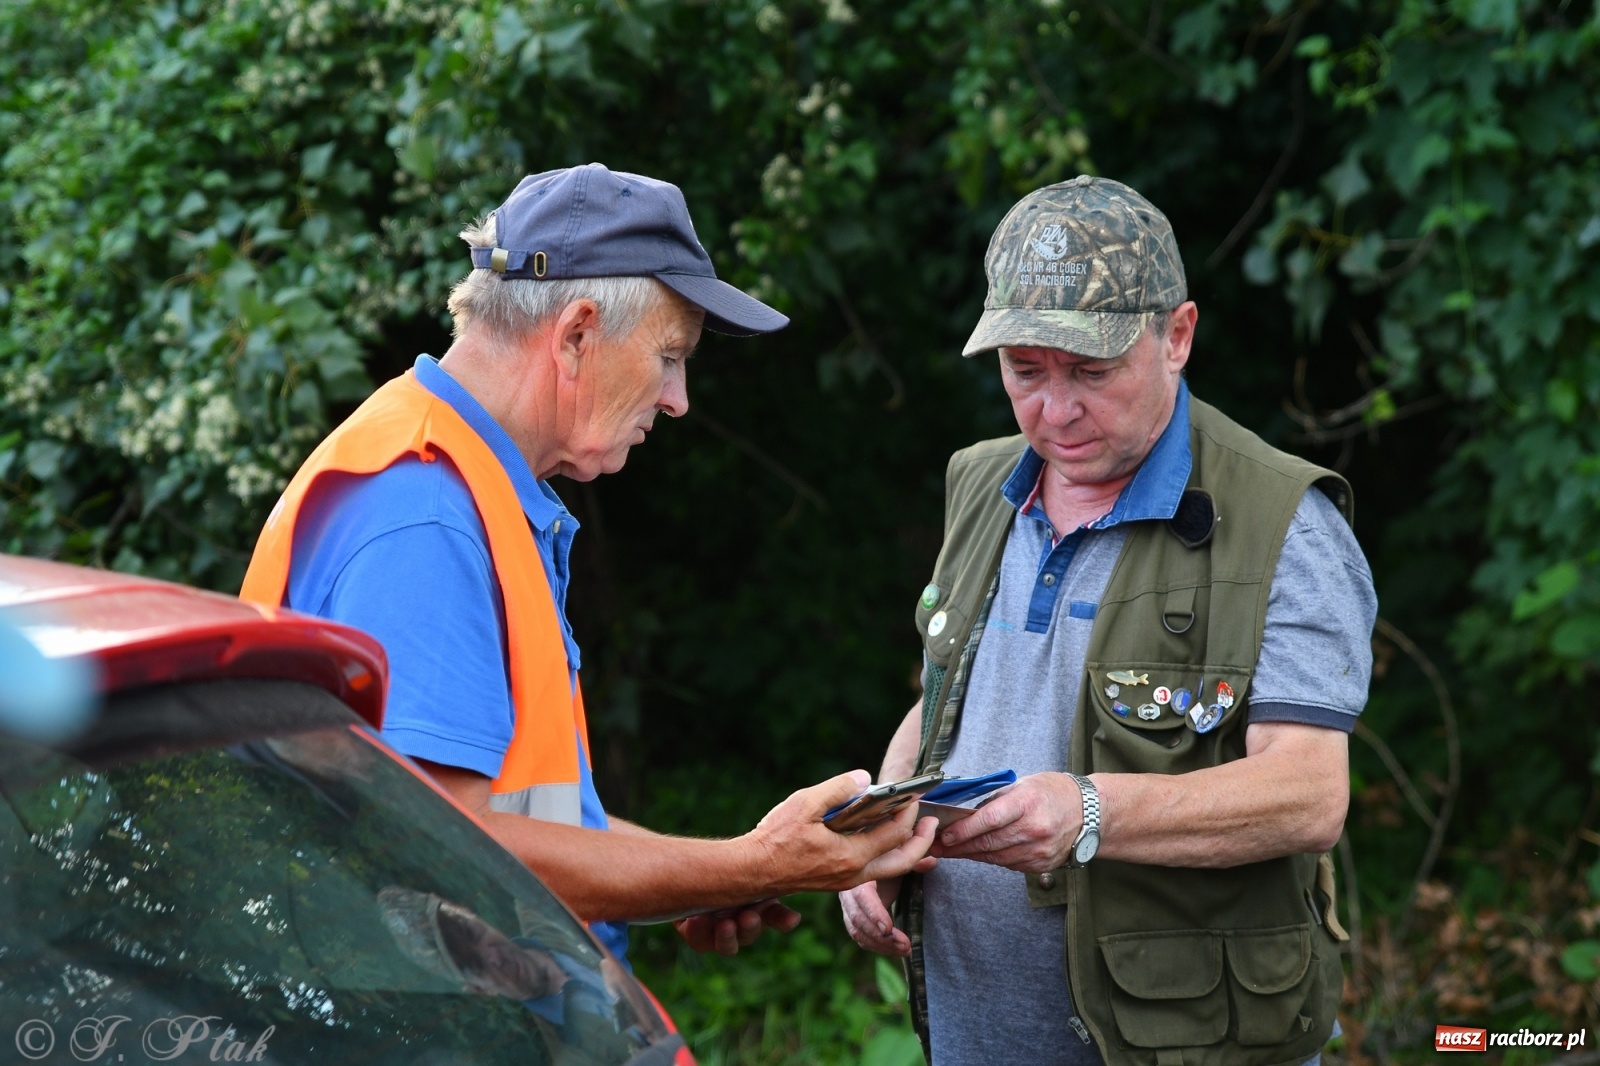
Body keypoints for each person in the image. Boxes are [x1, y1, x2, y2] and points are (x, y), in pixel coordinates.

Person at [241, 163, 936, 965]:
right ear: (575, 335)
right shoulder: (427, 514)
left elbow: (534, 821)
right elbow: (444, 848)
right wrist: (752, 863)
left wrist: (695, 879)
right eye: (669, 356)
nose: (677, 399)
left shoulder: (461, 482)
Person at [839, 175, 1376, 1066]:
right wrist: (881, 834)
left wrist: (1090, 811)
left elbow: (1309, 794)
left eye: (1090, 371)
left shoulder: (1284, 519)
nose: (1054, 411)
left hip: (1184, 1041)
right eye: (1024, 371)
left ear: (1177, 336)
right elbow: (949, 698)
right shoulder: (980, 481)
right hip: (973, 1034)